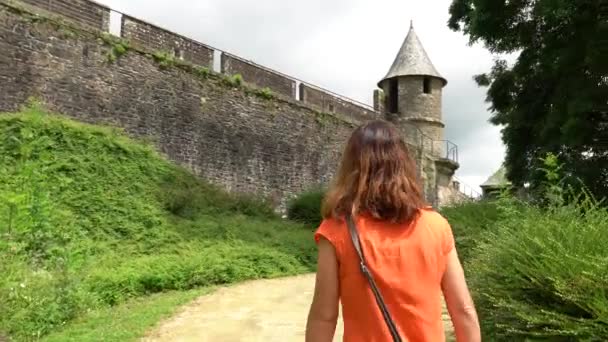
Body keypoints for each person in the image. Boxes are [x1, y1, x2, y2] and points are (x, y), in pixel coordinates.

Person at [305, 120, 481, 342]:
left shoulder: (336, 230)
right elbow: (463, 309)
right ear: (404, 164)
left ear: (352, 167)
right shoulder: (437, 226)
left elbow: (324, 316)